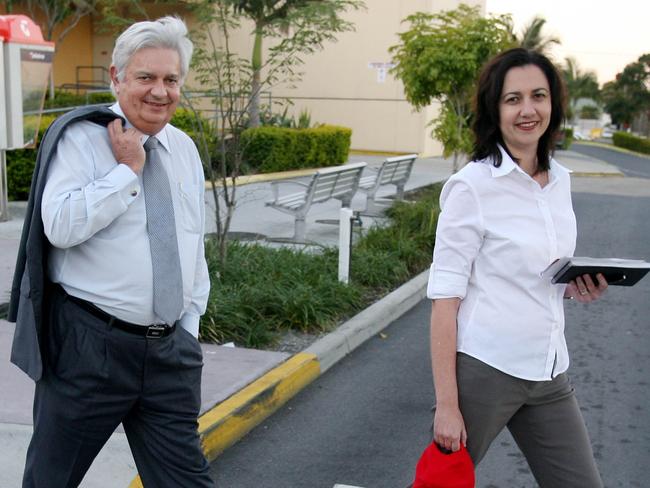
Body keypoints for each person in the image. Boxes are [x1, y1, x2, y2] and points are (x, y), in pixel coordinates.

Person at [9, 16, 214, 487]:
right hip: (90, 350)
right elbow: (58, 227)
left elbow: (190, 241)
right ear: (116, 78)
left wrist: (188, 327)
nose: (159, 91)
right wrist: (126, 171)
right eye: (145, 78)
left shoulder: (182, 147)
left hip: (168, 355)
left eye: (170, 79)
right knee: (50, 479)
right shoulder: (80, 139)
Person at [427, 47, 608, 487]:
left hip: (548, 372)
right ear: (496, 108)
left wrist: (572, 286)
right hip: (487, 370)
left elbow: (536, 272)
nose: (528, 110)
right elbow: (445, 301)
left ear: (553, 104)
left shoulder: (560, 180)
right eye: (513, 99)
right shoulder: (471, 187)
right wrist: (447, 405)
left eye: (538, 96)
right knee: (441, 484)